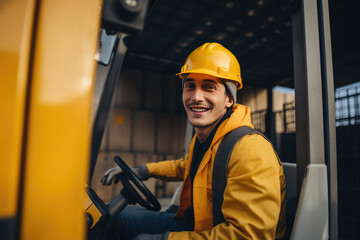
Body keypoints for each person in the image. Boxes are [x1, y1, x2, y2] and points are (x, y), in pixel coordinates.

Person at [101, 42, 286, 240]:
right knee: (114, 217)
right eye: (190, 86)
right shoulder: (206, 138)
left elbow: (248, 236)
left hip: (213, 232)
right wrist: (142, 171)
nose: (196, 97)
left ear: (229, 99)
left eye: (209, 87)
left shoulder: (250, 149)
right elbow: (185, 167)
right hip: (196, 224)